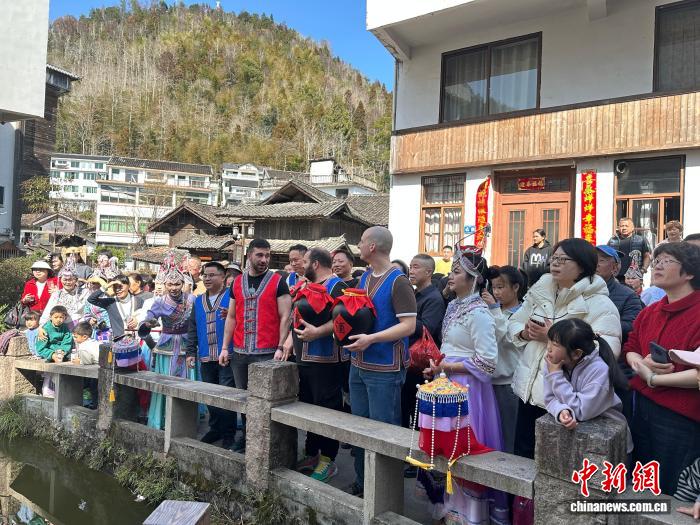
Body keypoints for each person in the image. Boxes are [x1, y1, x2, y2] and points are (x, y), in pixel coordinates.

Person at [508, 238, 622, 459]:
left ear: (582, 265)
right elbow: (515, 321)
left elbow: (607, 348)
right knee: (522, 455)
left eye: (563, 259)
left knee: (554, 462)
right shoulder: (540, 292)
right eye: (554, 258)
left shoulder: (601, 304)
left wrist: (553, 338)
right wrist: (524, 333)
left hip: (564, 398)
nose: (555, 263)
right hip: (529, 390)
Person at [421, 246, 508, 525]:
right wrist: (438, 366)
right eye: (452, 271)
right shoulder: (453, 306)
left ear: (474, 279)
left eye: (457, 272)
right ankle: (452, 510)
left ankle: (471, 516)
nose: (450, 276)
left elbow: (487, 362)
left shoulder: (479, 313)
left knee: (464, 449)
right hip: (447, 386)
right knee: (447, 449)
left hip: (469, 389)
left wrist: (448, 367)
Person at [343, 226, 416, 497]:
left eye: (362, 241)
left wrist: (371, 339)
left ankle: (383, 493)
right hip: (359, 362)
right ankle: (363, 483)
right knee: (360, 426)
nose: (359, 245)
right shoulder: (364, 278)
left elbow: (408, 326)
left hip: (384, 367)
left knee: (383, 429)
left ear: (372, 246)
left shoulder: (399, 281)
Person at [623, 241, 700, 495]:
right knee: (642, 481)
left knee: (670, 488)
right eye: (656, 261)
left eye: (666, 261)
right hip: (643, 406)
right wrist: (641, 364)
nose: (657, 266)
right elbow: (631, 347)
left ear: (689, 272)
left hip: (680, 416)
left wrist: (653, 378)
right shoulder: (651, 311)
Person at [219, 238, 292, 451]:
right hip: (240, 352)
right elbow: (231, 316)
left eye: (267, 255)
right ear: (249, 255)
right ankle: (247, 438)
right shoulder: (236, 283)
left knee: (268, 401)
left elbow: (286, 316)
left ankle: (268, 444)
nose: (264, 259)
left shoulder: (278, 281)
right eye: (260, 255)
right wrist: (225, 347)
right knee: (245, 399)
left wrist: (280, 346)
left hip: (268, 352)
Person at [288, 248, 348, 482]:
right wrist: (288, 342)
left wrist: (318, 332)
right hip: (305, 359)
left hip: (327, 361)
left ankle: (328, 460)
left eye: (304, 261)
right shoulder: (306, 285)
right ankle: (312, 453)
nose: (300, 265)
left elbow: (344, 320)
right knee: (308, 408)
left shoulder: (337, 286)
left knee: (328, 411)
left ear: (315, 264)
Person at [543, 319, 632, 452]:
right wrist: (561, 410)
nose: (548, 348)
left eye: (555, 344)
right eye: (549, 341)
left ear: (576, 353)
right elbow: (550, 399)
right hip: (580, 443)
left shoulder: (599, 371)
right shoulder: (553, 364)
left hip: (610, 443)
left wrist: (556, 376)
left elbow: (581, 411)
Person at [185, 262, 237, 450]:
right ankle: (215, 429)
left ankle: (229, 434)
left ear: (223, 277)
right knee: (210, 395)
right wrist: (191, 351)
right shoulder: (198, 300)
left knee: (226, 396)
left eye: (212, 275)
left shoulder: (232, 297)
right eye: (205, 275)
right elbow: (192, 327)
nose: (207, 278)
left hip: (227, 355)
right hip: (206, 356)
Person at [141, 263, 195, 430]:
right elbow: (148, 318)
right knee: (165, 381)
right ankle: (162, 418)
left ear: (183, 284)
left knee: (188, 382)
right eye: (170, 284)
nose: (173, 288)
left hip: (187, 345)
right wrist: (149, 322)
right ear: (165, 284)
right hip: (167, 345)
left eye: (177, 284)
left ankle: (185, 421)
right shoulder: (159, 301)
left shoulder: (192, 299)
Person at [403, 254, 446, 461]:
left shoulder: (434, 298)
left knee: (419, 415)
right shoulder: (413, 294)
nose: (411, 271)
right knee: (406, 410)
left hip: (422, 366)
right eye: (410, 267)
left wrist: (404, 320)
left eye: (416, 267)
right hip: (408, 361)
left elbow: (427, 329)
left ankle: (419, 460)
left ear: (429, 272)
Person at [481, 265, 525, 455]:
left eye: (501, 287)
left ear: (515, 287)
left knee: (508, 434)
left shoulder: (524, 312)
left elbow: (507, 338)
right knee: (490, 433)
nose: (496, 292)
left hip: (509, 382)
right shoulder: (490, 310)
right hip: (487, 380)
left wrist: (493, 309)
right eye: (493, 287)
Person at [595, 246, 643, 344]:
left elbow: (631, 327)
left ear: (615, 268)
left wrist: (598, 326)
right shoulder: (579, 289)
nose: (595, 264)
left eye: (601, 260)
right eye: (592, 259)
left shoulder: (628, 295)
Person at [40, 264, 88, 330]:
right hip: (58, 327)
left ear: (76, 280)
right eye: (65, 280)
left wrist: (80, 325)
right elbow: (48, 311)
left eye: (70, 280)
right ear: (60, 280)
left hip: (79, 327)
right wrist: (42, 326)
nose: (68, 282)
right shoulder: (56, 294)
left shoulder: (85, 292)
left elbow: (88, 312)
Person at [608, 217, 652, 282]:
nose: (624, 228)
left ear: (632, 228)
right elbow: (607, 257)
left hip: (634, 277)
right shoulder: (613, 241)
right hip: (616, 277)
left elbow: (647, 256)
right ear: (619, 228)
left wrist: (643, 270)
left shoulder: (641, 240)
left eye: (626, 226)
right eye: (622, 226)